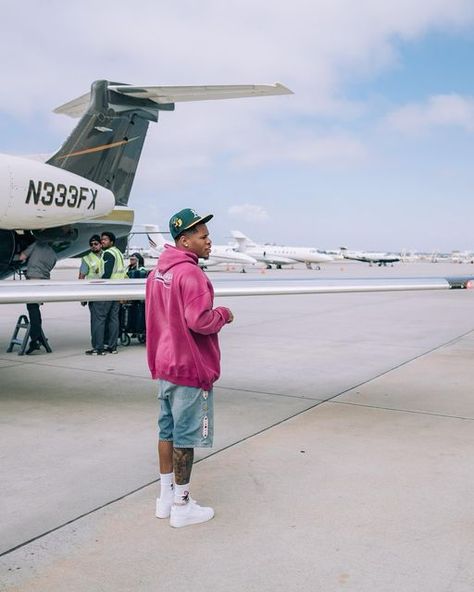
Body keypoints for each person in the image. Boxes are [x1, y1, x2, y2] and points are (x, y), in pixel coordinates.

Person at [146, 208, 234, 528]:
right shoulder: (191, 274)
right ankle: (182, 506)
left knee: (166, 432)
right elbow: (200, 321)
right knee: (185, 437)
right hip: (188, 367)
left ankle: (165, 498)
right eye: (203, 236)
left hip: (166, 364)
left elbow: (155, 319)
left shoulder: (158, 273)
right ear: (185, 241)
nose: (209, 241)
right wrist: (223, 313)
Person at [19, 240, 57, 355]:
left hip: (33, 281)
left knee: (32, 309)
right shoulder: (53, 254)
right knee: (35, 308)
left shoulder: (36, 244)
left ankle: (34, 339)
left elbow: (21, 257)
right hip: (44, 283)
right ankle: (39, 337)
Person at [99, 231, 127, 354]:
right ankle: (113, 345)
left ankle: (104, 344)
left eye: (105, 239)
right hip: (118, 288)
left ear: (111, 242)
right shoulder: (118, 253)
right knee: (114, 319)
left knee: (104, 318)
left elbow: (107, 273)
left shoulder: (108, 253)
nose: (102, 242)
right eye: (102, 239)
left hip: (109, 289)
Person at [79, 235, 107, 355]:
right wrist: (82, 297)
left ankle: (106, 344)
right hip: (94, 293)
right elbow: (81, 277)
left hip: (107, 292)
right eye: (91, 244)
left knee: (106, 320)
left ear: (100, 244)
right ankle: (97, 346)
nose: (93, 246)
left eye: (95, 244)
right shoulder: (87, 259)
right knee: (97, 321)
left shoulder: (107, 255)